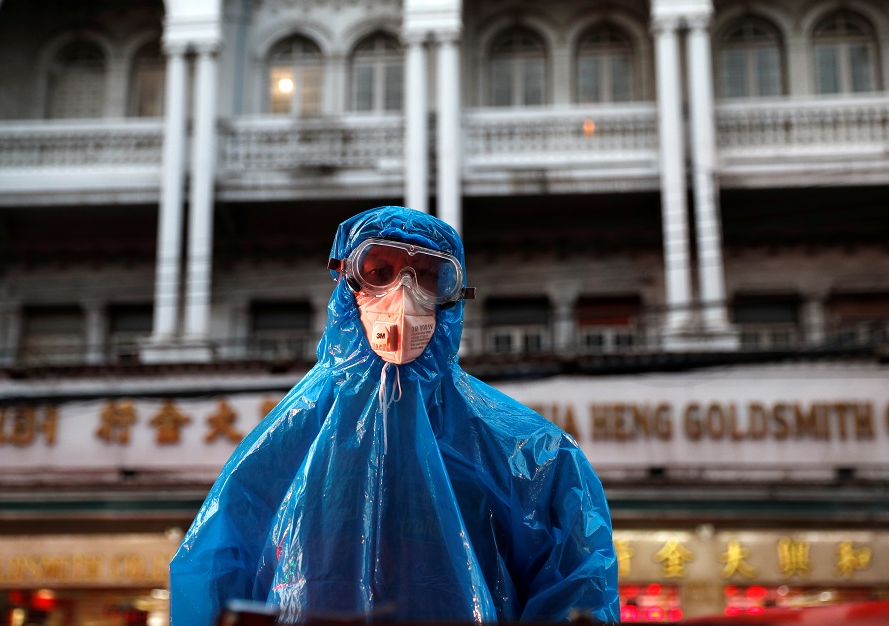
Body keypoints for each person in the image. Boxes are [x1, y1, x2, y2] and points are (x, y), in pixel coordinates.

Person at [169, 206, 619, 624]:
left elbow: (578, 593)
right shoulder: (284, 445)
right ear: (346, 284)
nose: (403, 295)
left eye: (426, 277)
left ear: (455, 295)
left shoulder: (531, 453)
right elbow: (214, 577)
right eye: (378, 272)